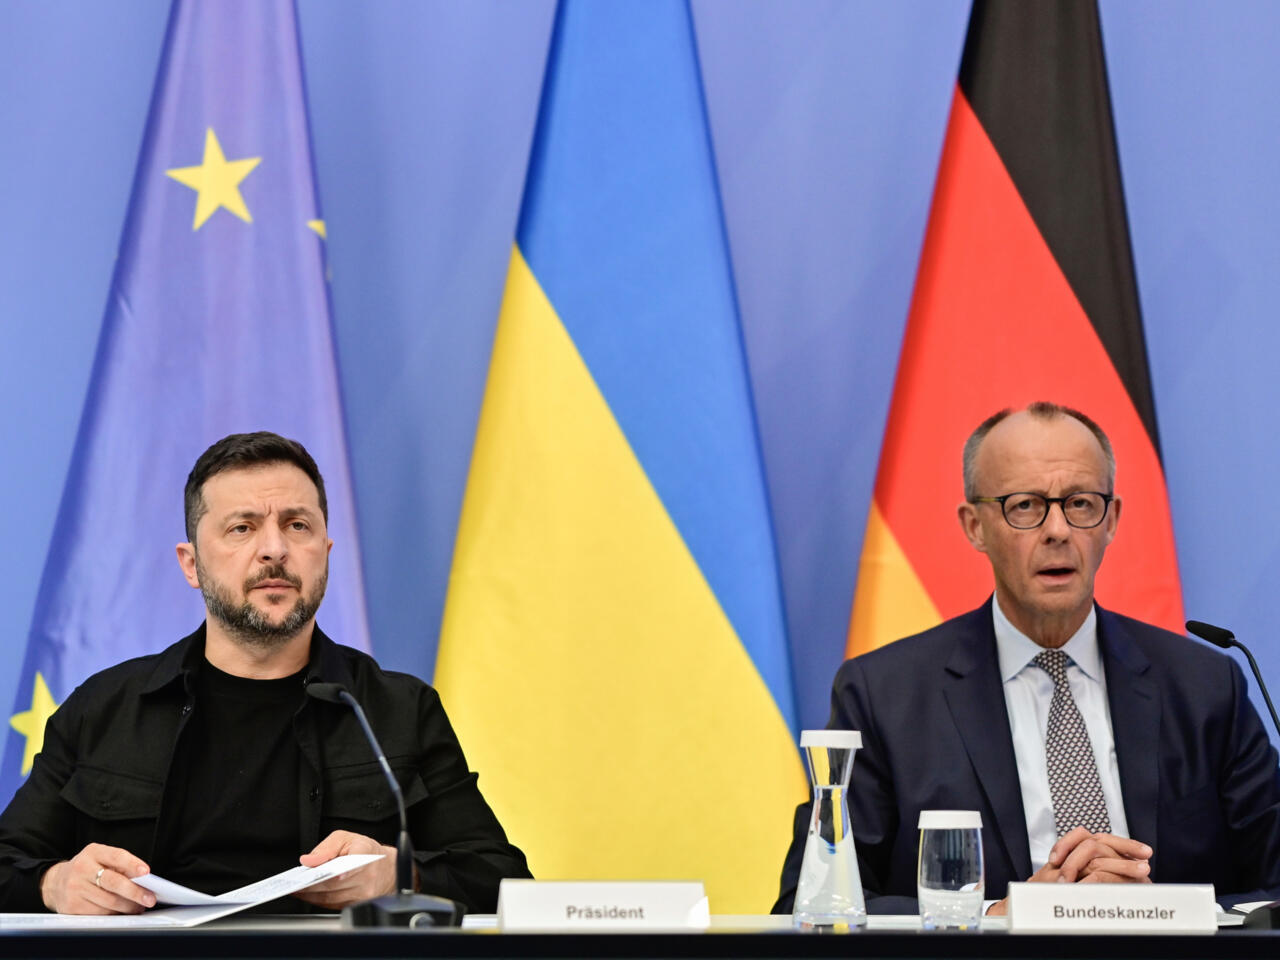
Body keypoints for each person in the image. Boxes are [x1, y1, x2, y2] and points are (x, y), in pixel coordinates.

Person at [774, 402, 1280, 914]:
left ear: (1111, 521)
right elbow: (810, 903)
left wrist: (1165, 914)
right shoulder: (884, 697)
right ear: (975, 526)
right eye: (1025, 506)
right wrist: (997, 917)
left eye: (1080, 503)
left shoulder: (1205, 686)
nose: (1057, 530)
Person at [0, 431, 530, 915]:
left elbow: (503, 879)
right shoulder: (104, 708)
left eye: (298, 526)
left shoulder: (397, 710)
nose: (275, 549)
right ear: (191, 564)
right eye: (242, 527)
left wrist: (402, 876)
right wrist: (54, 883)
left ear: (325, 554)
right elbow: (8, 863)